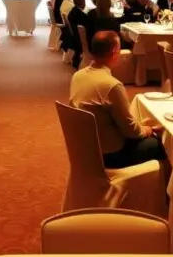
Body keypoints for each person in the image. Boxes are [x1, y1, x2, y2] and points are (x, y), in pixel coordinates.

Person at [69, 31, 165, 169]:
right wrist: (147, 130)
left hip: (86, 147)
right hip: (110, 154)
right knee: (159, 143)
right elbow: (132, 132)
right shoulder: (112, 85)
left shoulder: (77, 76)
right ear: (114, 52)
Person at [67, 0, 89, 68]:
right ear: (83, 2)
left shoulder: (73, 11)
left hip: (73, 36)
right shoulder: (82, 16)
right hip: (79, 38)